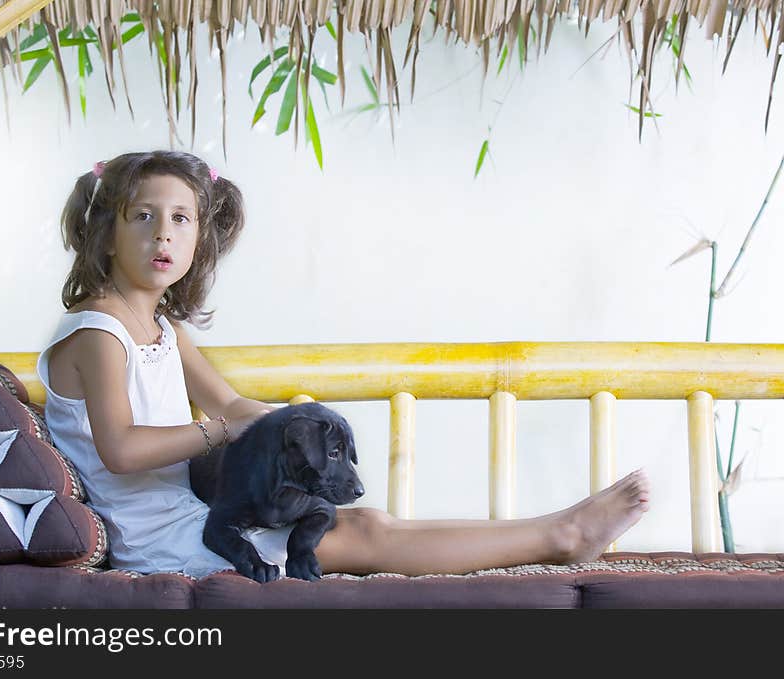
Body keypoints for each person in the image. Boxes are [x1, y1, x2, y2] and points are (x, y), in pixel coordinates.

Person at [36, 150, 650, 580]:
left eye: (180, 219)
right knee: (363, 537)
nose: (162, 235)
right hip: (157, 545)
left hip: (192, 518)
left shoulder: (163, 328)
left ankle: (555, 529)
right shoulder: (100, 331)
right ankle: (560, 537)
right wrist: (222, 433)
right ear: (106, 233)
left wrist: (290, 435)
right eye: (142, 216)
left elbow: (230, 404)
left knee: (364, 519)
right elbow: (120, 449)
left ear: (200, 238)